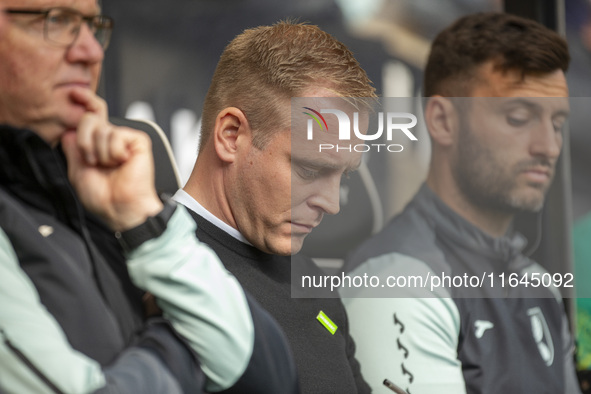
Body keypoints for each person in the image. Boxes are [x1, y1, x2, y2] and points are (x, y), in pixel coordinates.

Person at [0, 1, 298, 393]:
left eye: (92, 26)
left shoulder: (99, 190)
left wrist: (143, 220)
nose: (90, 51)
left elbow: (269, 376)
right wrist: (179, 341)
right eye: (57, 21)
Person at [341, 12, 581, 394]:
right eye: (519, 118)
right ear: (442, 120)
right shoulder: (395, 282)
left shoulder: (538, 282)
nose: (548, 147)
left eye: (556, 124)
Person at [175, 21, 375, 393]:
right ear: (231, 135)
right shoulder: (160, 271)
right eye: (310, 168)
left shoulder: (313, 283)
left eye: (343, 176)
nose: (332, 204)